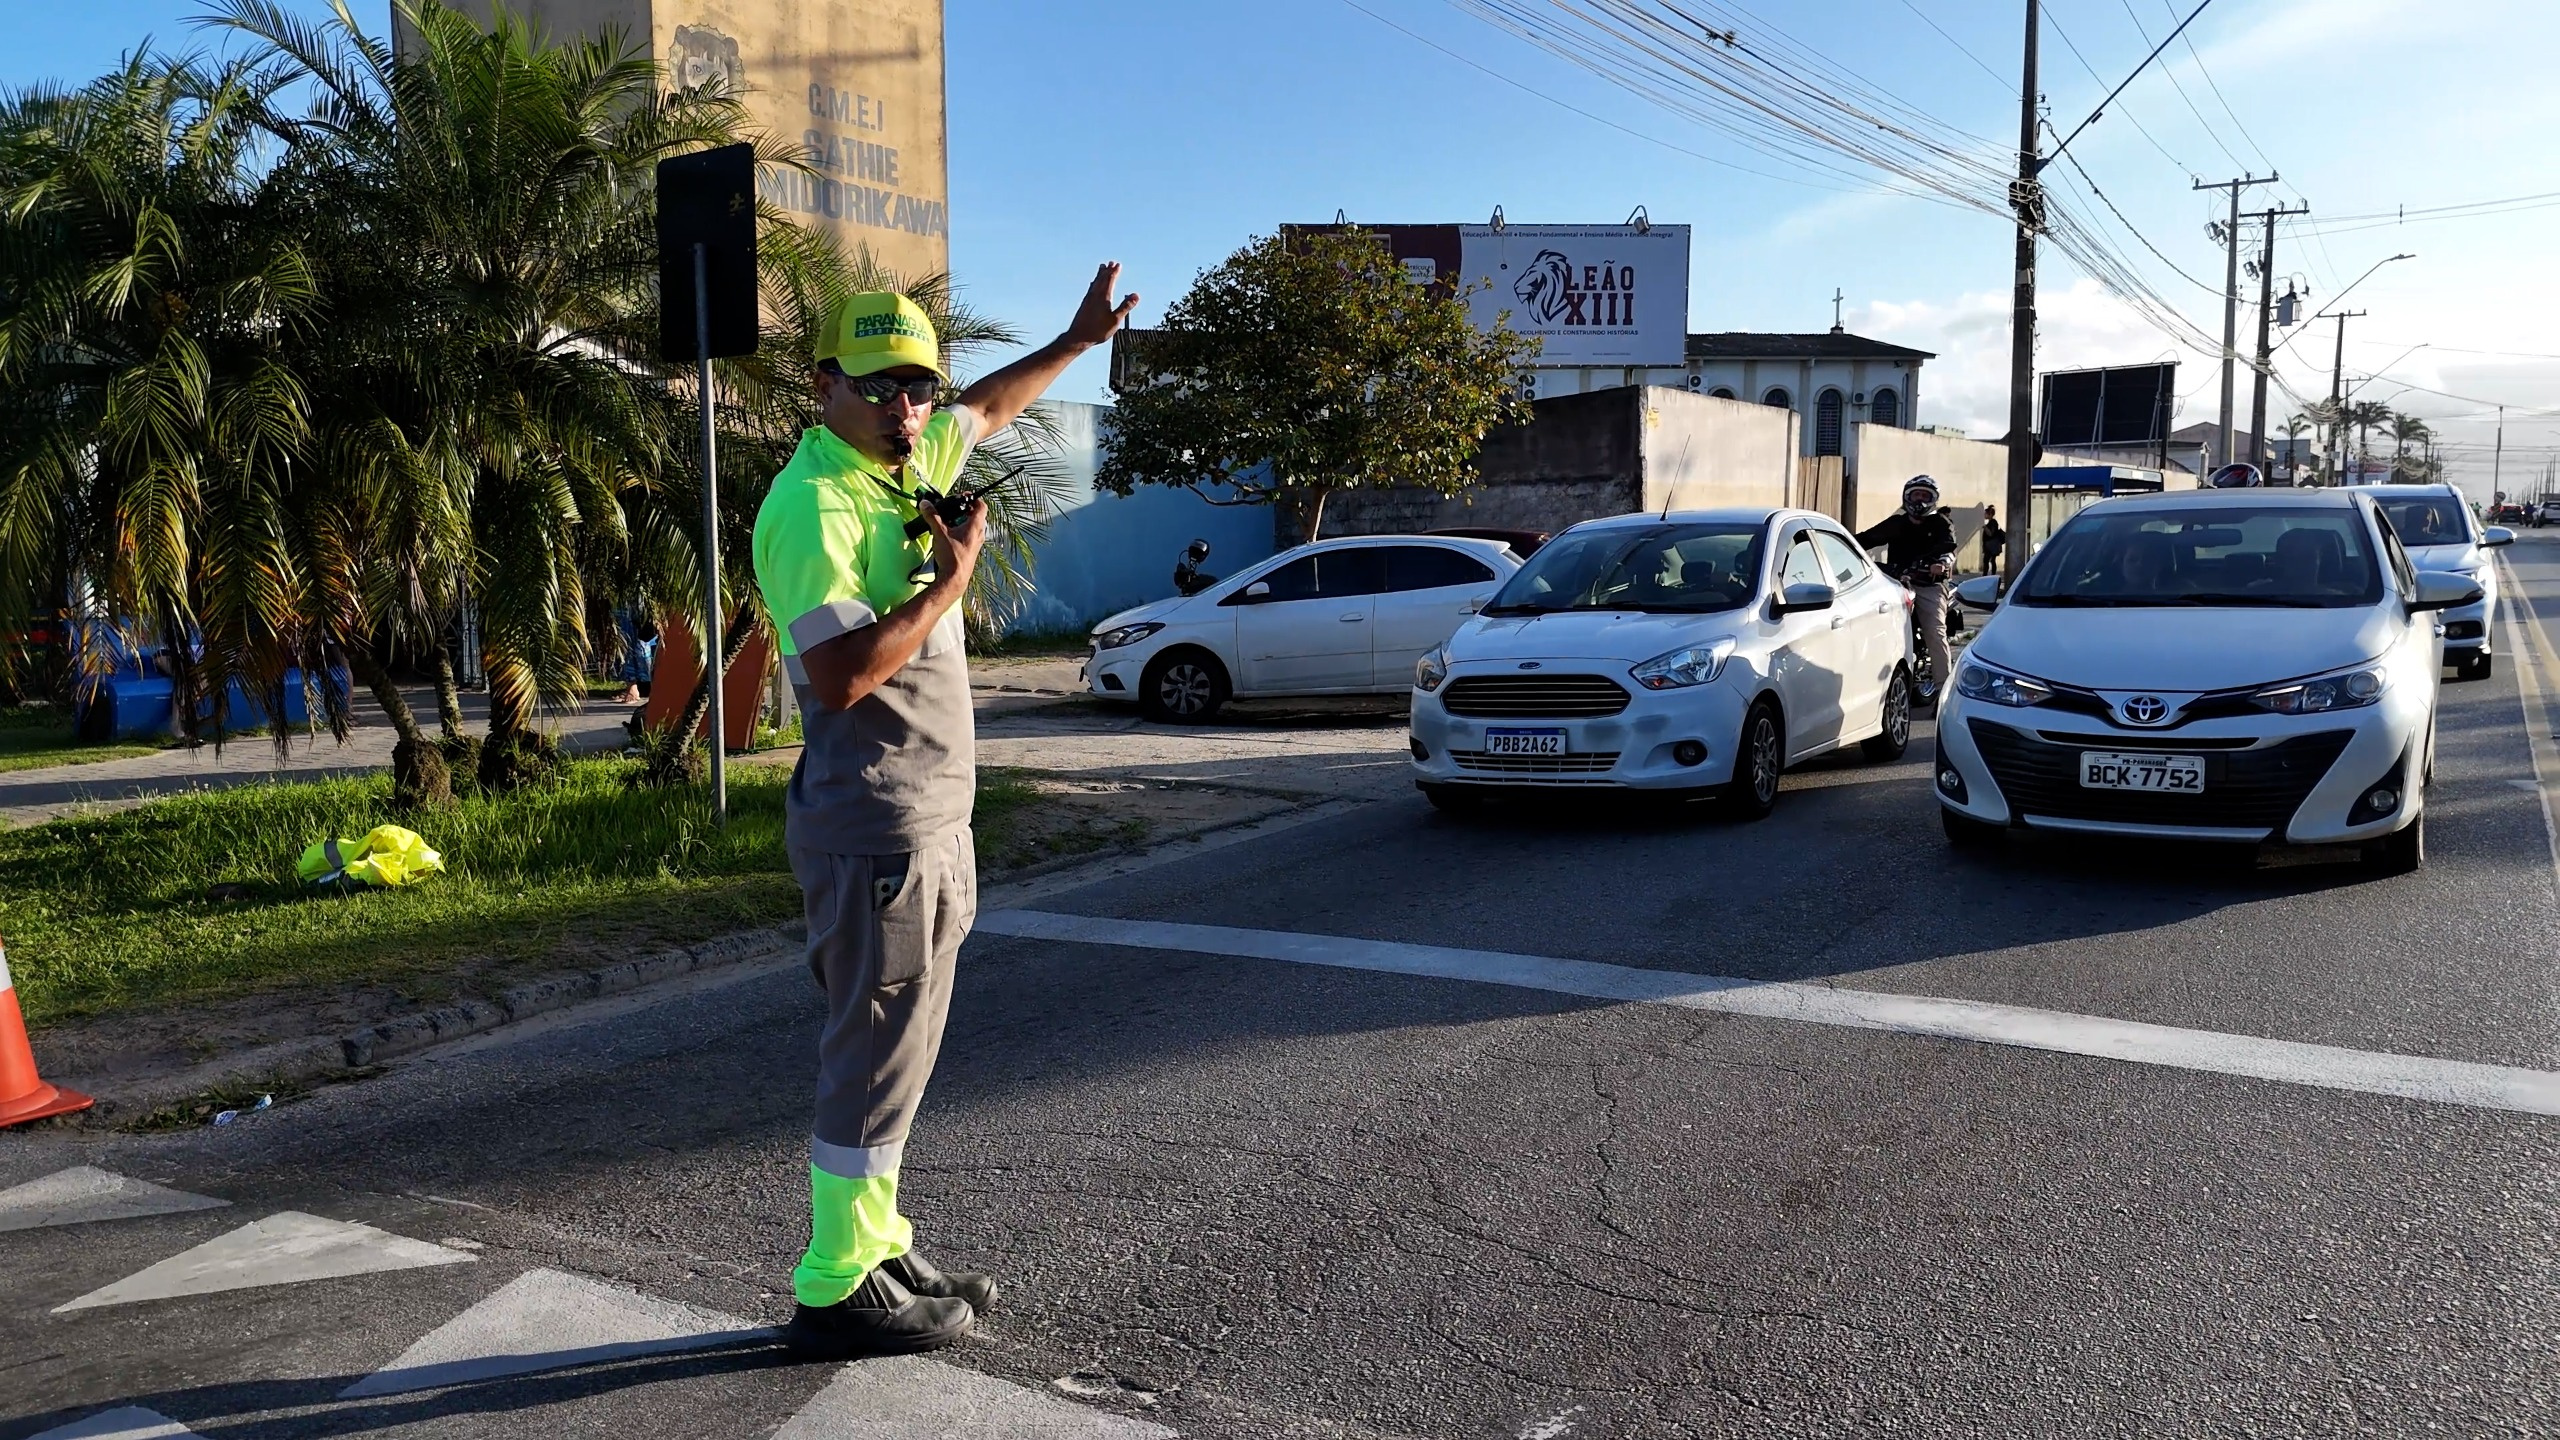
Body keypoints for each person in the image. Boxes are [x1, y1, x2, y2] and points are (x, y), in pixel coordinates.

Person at [752, 264, 1139, 1360]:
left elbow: (991, 406)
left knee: (902, 1056)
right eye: (877, 386)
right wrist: (948, 582)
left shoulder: (905, 458)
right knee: (871, 1058)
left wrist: (1073, 341)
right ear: (824, 383)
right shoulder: (812, 504)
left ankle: (876, 1246)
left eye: (916, 385)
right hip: (873, 826)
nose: (903, 406)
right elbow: (833, 679)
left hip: (926, 823)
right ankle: (833, 1287)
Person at [1858, 475, 1959, 698]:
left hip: (1928, 586)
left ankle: (1945, 693)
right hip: (1895, 583)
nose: (1920, 500)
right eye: (1916, 494)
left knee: (1935, 633)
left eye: (1925, 495)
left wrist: (1942, 564)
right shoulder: (1897, 523)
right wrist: (1841, 546)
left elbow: (1949, 549)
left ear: (1933, 499)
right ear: (1907, 497)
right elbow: (1864, 539)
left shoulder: (1941, 523)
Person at [1978, 505, 2007, 574]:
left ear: (1990, 514)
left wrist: (1985, 528)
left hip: (1991, 546)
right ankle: (1990, 574)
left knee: (1988, 560)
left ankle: (1987, 574)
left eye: (1986, 514)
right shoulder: (1991, 522)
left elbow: (1991, 534)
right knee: (1991, 560)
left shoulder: (1993, 522)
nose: (1985, 515)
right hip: (1990, 545)